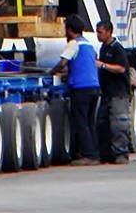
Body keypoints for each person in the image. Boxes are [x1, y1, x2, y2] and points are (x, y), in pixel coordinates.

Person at [49, 14, 101, 165]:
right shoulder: (88, 44)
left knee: (81, 122)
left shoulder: (73, 44)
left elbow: (63, 63)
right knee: (89, 122)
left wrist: (51, 72)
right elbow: (83, 64)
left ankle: (88, 155)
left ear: (70, 29)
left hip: (81, 88)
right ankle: (94, 153)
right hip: (94, 87)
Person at [95, 19, 131, 164]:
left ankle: (121, 153)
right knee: (102, 123)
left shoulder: (117, 48)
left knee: (119, 124)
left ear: (109, 32)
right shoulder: (103, 48)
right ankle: (106, 154)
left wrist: (103, 65)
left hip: (118, 93)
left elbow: (121, 68)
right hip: (106, 93)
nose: (98, 35)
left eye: (100, 32)